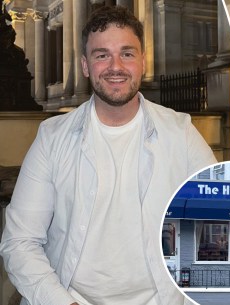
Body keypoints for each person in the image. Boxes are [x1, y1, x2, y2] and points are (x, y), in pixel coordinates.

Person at [0, 5, 216, 305]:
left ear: (142, 61)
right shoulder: (52, 138)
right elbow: (20, 242)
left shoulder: (181, 133)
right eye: (102, 55)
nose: (116, 66)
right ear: (86, 66)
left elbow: (220, 224)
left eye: (127, 53)